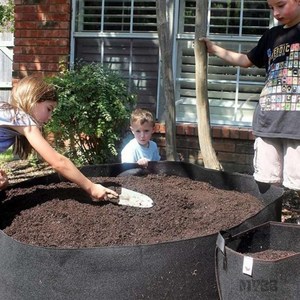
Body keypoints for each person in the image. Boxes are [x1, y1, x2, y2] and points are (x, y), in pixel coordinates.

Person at [201, 0, 300, 192]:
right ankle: (270, 219)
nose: (275, 13)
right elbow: (246, 60)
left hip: (296, 124)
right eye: (271, 8)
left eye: (281, 5)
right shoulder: (271, 36)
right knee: (266, 180)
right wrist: (214, 49)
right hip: (268, 121)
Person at [0, 75, 118, 201]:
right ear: (33, 100)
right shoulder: (22, 119)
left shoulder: (10, 119)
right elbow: (58, 162)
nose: (50, 117)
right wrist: (91, 187)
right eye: (49, 109)